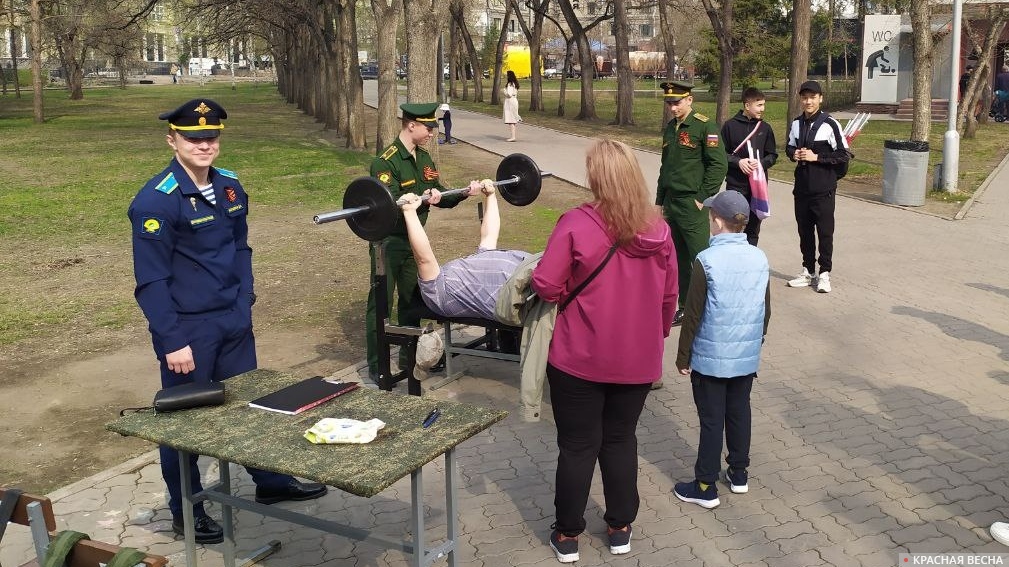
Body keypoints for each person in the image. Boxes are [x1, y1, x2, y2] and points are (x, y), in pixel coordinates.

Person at [127, 99, 327, 545]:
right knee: (185, 422)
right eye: (193, 138)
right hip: (188, 331)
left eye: (211, 137)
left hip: (234, 320)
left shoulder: (231, 187)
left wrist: (246, 300)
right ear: (172, 140)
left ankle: (270, 482)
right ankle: (187, 508)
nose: (204, 145)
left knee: (253, 405)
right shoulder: (156, 202)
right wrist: (172, 340)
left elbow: (240, 249)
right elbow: (151, 282)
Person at [531, 139, 678, 563]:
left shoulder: (577, 223)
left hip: (579, 356)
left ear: (596, 177)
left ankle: (568, 533)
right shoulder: (660, 229)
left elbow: (546, 283)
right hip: (636, 360)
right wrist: (653, 337)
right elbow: (670, 298)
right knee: (619, 440)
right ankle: (620, 527)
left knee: (577, 445)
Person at [366, 102, 481, 381]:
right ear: (411, 125)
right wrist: (422, 200)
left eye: (434, 127)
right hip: (389, 242)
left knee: (412, 299)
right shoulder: (386, 162)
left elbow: (439, 190)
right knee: (381, 302)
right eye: (428, 127)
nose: (432, 132)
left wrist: (464, 192)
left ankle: (409, 359)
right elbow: (390, 203)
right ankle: (378, 365)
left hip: (414, 240)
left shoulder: (424, 158)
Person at [671, 190, 771, 510]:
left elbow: (693, 313)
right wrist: (757, 340)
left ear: (716, 221)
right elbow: (765, 309)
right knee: (739, 412)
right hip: (745, 355)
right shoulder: (759, 257)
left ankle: (704, 485)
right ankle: (739, 474)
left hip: (711, 360)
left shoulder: (706, 260)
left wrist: (683, 355)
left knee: (712, 420)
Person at [399, 180, 531, 320]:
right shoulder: (439, 294)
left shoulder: (442, 290)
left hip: (532, 271)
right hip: (530, 285)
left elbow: (489, 235)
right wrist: (409, 213)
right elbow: (423, 259)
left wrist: (490, 196)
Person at [656, 81, 728, 325]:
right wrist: (659, 201)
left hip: (692, 203)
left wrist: (702, 198)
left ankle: (712, 307)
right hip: (671, 203)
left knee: (701, 258)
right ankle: (686, 306)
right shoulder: (670, 128)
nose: (673, 108)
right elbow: (666, 167)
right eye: (669, 104)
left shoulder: (704, 126)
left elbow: (719, 165)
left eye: (676, 103)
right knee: (678, 260)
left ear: (689, 99)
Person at [784, 80, 850, 294]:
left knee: (824, 232)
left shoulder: (830, 123)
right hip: (801, 188)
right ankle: (808, 270)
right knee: (804, 231)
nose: (808, 101)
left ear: (820, 99)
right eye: (804, 97)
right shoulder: (796, 123)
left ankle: (824, 273)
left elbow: (843, 154)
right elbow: (789, 146)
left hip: (823, 189)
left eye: (812, 97)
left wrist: (817, 157)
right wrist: (793, 153)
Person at [720, 87, 778, 246]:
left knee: (753, 228)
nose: (762, 109)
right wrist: (738, 162)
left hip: (758, 188)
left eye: (763, 105)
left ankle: (750, 258)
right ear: (747, 106)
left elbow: (772, 155)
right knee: (733, 225)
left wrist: (761, 164)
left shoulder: (765, 128)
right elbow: (720, 154)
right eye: (759, 105)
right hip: (736, 184)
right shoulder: (730, 126)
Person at [503, 70, 521, 142]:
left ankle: (513, 137)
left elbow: (509, 94)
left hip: (510, 102)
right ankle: (513, 136)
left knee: (511, 120)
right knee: (512, 120)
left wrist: (504, 91)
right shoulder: (515, 84)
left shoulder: (510, 84)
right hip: (514, 101)